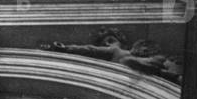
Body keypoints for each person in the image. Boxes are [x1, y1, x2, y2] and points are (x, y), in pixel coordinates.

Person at [40, 27, 180, 82]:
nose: (107, 44)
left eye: (111, 40)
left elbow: (90, 49)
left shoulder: (117, 51)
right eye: (105, 42)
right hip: (136, 67)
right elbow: (89, 49)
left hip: (147, 64)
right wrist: (66, 48)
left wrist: (65, 48)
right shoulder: (116, 51)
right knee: (128, 61)